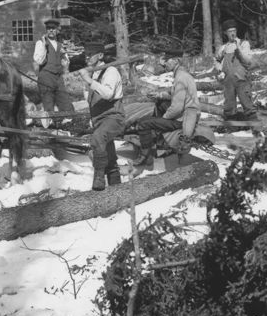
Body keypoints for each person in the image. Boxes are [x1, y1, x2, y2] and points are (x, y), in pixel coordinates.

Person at [130, 54, 201, 171]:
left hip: (182, 119)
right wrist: (159, 95)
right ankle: (158, 140)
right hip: (185, 115)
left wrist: (163, 118)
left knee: (143, 123)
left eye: (166, 60)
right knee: (160, 103)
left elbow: (177, 107)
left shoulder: (180, 78)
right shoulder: (182, 75)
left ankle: (145, 157)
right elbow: (174, 94)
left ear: (175, 60)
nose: (163, 63)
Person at [78, 41, 124, 191]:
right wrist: (87, 83)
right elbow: (89, 98)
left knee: (97, 138)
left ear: (100, 55)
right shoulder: (92, 72)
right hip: (98, 118)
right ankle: (116, 185)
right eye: (86, 55)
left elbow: (108, 94)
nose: (87, 58)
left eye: (90, 55)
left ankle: (98, 176)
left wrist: (89, 81)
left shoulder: (110, 71)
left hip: (113, 117)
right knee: (108, 154)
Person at [214, 19, 256, 121]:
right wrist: (218, 67)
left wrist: (238, 49)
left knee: (248, 105)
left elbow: (248, 61)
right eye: (229, 31)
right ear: (225, 33)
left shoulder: (243, 44)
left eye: (234, 30)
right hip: (228, 81)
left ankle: (257, 130)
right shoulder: (223, 48)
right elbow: (216, 60)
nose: (232, 33)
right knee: (229, 108)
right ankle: (232, 129)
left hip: (242, 79)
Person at [33, 19, 73, 118]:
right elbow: (39, 60)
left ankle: (68, 124)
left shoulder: (59, 44)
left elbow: (65, 62)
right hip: (46, 77)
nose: (51, 31)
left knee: (65, 102)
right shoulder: (41, 43)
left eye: (53, 29)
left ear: (57, 30)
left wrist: (64, 58)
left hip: (58, 77)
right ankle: (51, 127)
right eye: (49, 29)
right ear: (46, 30)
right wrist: (44, 46)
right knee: (48, 104)